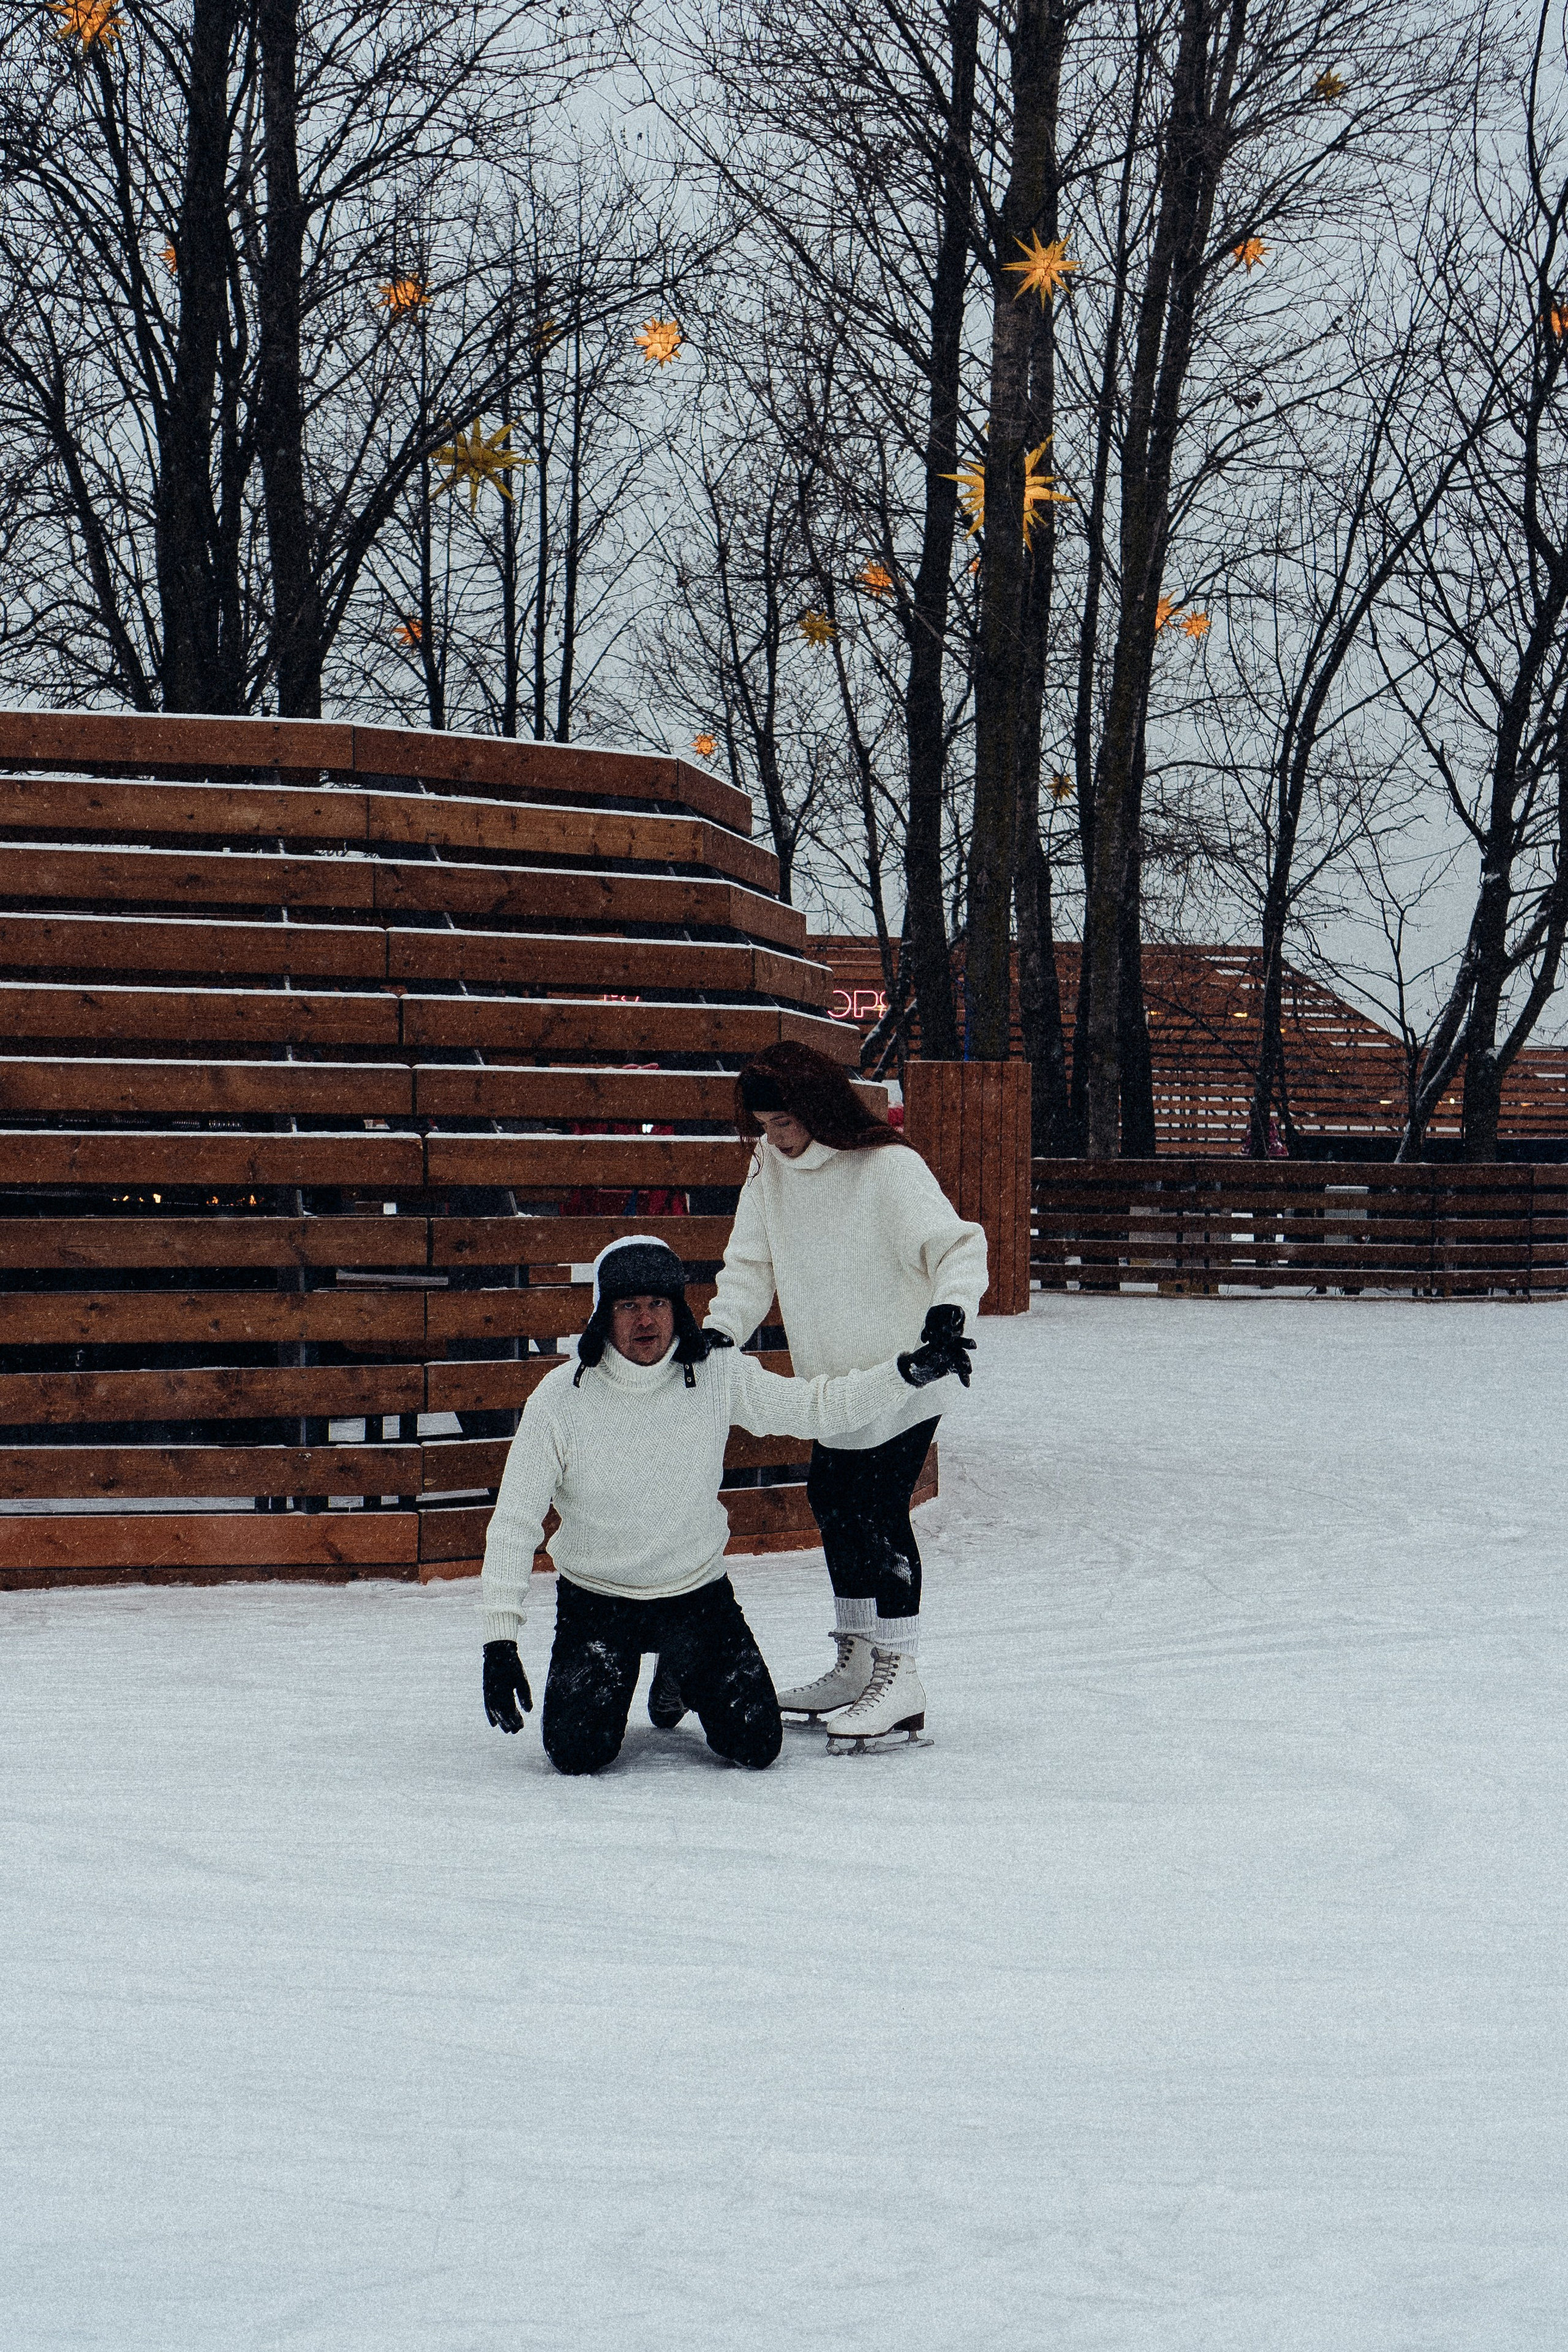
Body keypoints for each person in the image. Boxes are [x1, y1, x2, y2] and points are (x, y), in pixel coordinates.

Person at [479, 1235, 969, 1774]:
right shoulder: (560, 1398)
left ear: (678, 1308)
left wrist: (905, 1373)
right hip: (599, 1600)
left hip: (695, 1595)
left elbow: (817, 1408)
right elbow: (514, 1523)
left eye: (659, 1304)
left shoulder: (715, 1374)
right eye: (629, 1306)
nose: (646, 1321)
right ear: (604, 1315)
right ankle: (660, 1666)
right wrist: (499, 1641)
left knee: (756, 1744)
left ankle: (681, 1666)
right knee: (577, 1753)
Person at [704, 1042, 987, 1746]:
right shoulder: (768, 1169)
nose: (776, 1137)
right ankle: (858, 1661)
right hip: (834, 1384)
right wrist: (719, 1332)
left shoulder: (887, 1166)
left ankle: (901, 1673)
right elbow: (749, 1266)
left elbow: (957, 1247)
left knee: (877, 1511)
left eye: (786, 1123)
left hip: (903, 1376)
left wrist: (948, 1315)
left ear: (820, 1108)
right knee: (832, 1501)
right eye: (765, 1125)